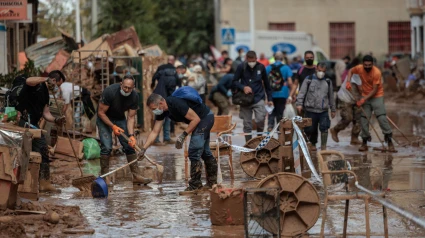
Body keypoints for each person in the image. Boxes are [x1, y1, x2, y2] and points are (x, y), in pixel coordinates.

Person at [142, 92, 217, 194]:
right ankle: (212, 183)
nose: (154, 111)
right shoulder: (162, 111)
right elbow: (155, 132)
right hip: (200, 120)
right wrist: (144, 149)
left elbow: (195, 119)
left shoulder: (175, 103)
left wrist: (183, 136)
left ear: (161, 103)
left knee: (194, 150)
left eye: (154, 108)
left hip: (205, 118)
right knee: (204, 152)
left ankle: (195, 185)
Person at [97, 75, 152, 186]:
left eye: (129, 88)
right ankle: (105, 177)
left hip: (119, 118)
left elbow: (131, 117)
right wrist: (113, 126)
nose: (126, 90)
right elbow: (101, 113)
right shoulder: (110, 91)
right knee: (107, 147)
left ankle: (136, 176)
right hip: (104, 118)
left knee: (129, 145)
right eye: (125, 87)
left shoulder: (134, 97)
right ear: (121, 84)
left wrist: (131, 135)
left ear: (133, 88)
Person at [17, 70, 66, 192]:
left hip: (33, 124)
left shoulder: (46, 94)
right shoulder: (37, 85)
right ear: (53, 80)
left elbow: (46, 113)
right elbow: (29, 80)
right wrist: (45, 79)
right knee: (38, 147)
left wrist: (56, 120)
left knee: (42, 150)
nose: (57, 89)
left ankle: (43, 183)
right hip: (23, 122)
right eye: (58, 85)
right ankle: (37, 183)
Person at [345, 55, 396, 152]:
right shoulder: (359, 68)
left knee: (381, 118)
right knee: (364, 120)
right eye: (365, 65)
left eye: (369, 65)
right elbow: (350, 71)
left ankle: (389, 142)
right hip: (365, 96)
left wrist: (363, 99)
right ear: (363, 64)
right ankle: (364, 142)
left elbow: (375, 90)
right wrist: (348, 81)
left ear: (372, 64)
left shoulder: (376, 72)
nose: (367, 67)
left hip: (377, 96)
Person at [232, 50, 273, 142]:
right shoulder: (241, 67)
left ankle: (259, 139)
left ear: (256, 59)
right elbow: (234, 81)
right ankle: (249, 143)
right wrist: (243, 87)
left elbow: (267, 84)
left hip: (259, 97)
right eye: (249, 61)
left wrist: (270, 99)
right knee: (247, 124)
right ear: (246, 59)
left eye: (253, 61)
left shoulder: (261, 67)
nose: (251, 63)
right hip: (245, 99)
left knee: (260, 120)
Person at [296, 62, 336, 151]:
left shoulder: (328, 81)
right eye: (319, 70)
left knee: (324, 128)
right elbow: (301, 92)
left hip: (323, 110)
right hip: (310, 110)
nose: (321, 72)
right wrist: (299, 104)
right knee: (311, 129)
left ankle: (323, 147)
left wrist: (333, 109)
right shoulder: (308, 79)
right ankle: (313, 144)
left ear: (325, 71)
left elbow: (331, 96)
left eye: (323, 71)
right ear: (316, 69)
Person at [151, 55, 180, 145]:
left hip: (158, 95)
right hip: (164, 98)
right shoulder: (173, 73)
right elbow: (175, 85)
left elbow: (154, 78)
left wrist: (152, 85)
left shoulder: (161, 69)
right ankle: (163, 138)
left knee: (160, 117)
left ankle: (160, 139)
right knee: (165, 117)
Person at [265, 52, 294, 131]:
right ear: (282, 58)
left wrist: (266, 94)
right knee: (280, 113)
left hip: (271, 94)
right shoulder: (286, 68)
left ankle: (270, 127)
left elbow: (264, 81)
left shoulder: (268, 68)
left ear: (274, 58)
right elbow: (290, 82)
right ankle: (280, 130)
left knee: (271, 112)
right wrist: (292, 93)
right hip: (283, 93)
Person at [330, 75, 362, 145]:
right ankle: (335, 129)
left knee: (358, 119)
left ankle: (354, 138)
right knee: (348, 118)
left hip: (358, 99)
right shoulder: (357, 74)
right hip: (345, 97)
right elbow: (358, 89)